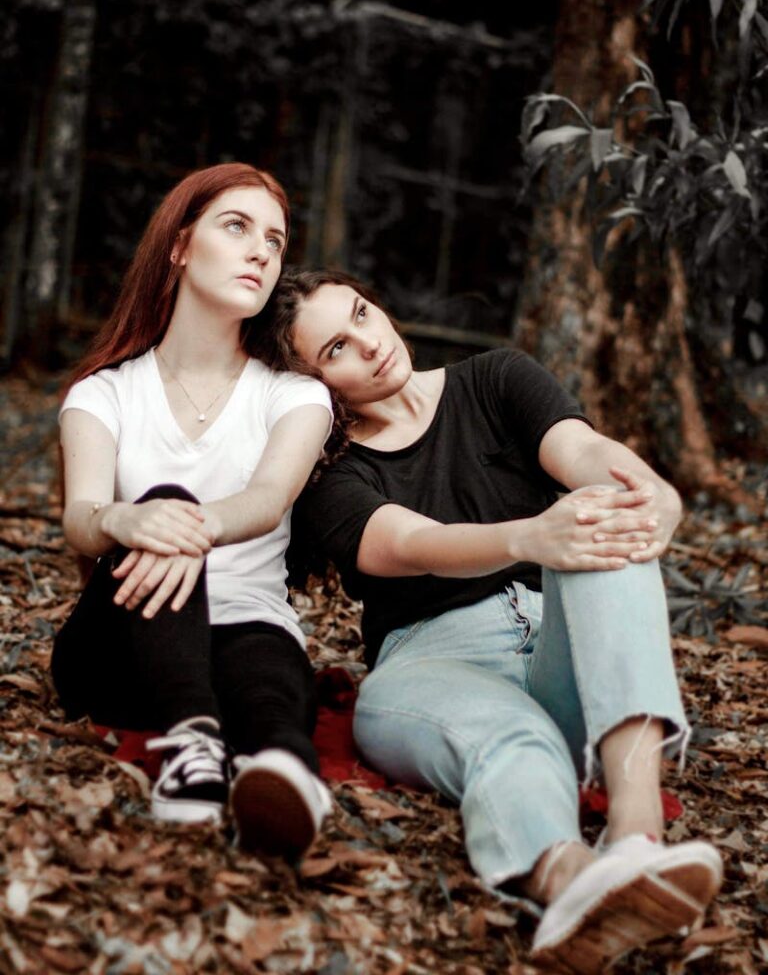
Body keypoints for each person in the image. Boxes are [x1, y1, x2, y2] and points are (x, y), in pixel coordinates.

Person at [258, 267, 723, 973]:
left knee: (603, 520)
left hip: (567, 653)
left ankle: (637, 843)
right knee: (512, 737)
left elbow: (583, 452)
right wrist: (528, 537)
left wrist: (651, 491)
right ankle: (570, 886)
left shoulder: (496, 379)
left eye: (361, 313)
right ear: (312, 384)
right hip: (432, 667)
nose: (370, 342)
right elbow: (411, 544)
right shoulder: (330, 473)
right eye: (336, 349)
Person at [51, 165, 335, 860]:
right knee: (164, 504)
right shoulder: (105, 393)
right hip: (119, 644)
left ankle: (286, 777)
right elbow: (81, 515)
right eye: (237, 227)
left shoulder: (295, 395)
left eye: (275, 241)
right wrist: (122, 520)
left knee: (271, 690)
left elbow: (268, 500)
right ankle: (195, 739)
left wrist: (192, 526)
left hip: (247, 633)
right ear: (179, 246)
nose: (261, 251)